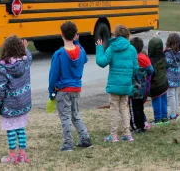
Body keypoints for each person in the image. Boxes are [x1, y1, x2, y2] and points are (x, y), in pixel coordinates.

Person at [48, 21, 92, 152]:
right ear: (75, 35)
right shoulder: (81, 51)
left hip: (63, 90)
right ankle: (85, 139)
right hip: (76, 89)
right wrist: (77, 43)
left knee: (65, 117)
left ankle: (68, 143)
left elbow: (53, 75)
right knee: (75, 115)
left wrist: (51, 90)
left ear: (61, 35)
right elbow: (84, 59)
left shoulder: (59, 54)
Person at [0, 35, 32, 164]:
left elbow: (0, 89)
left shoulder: (3, 68)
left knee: (11, 130)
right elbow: (29, 57)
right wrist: (25, 49)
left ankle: (12, 155)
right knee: (20, 128)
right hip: (23, 103)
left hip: (10, 105)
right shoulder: (25, 62)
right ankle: (22, 155)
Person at [96, 24, 139, 142]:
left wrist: (99, 48)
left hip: (114, 84)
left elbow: (101, 62)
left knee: (114, 108)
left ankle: (113, 135)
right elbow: (136, 68)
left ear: (115, 35)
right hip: (126, 84)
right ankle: (127, 133)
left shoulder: (112, 48)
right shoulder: (132, 49)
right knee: (124, 107)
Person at [129, 37, 154, 133]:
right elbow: (151, 70)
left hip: (133, 89)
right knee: (140, 107)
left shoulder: (132, 59)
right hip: (143, 87)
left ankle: (136, 126)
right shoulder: (145, 58)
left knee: (133, 108)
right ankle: (142, 125)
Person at [148, 37, 169, 125]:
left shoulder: (151, 60)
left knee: (156, 100)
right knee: (164, 99)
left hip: (155, 85)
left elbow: (151, 72)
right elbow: (167, 66)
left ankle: (157, 119)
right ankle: (164, 117)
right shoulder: (164, 56)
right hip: (164, 82)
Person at [164, 33, 180, 120]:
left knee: (171, 95)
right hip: (178, 75)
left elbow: (166, 64)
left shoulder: (169, 53)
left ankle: (173, 115)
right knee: (175, 95)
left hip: (170, 77)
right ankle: (176, 113)